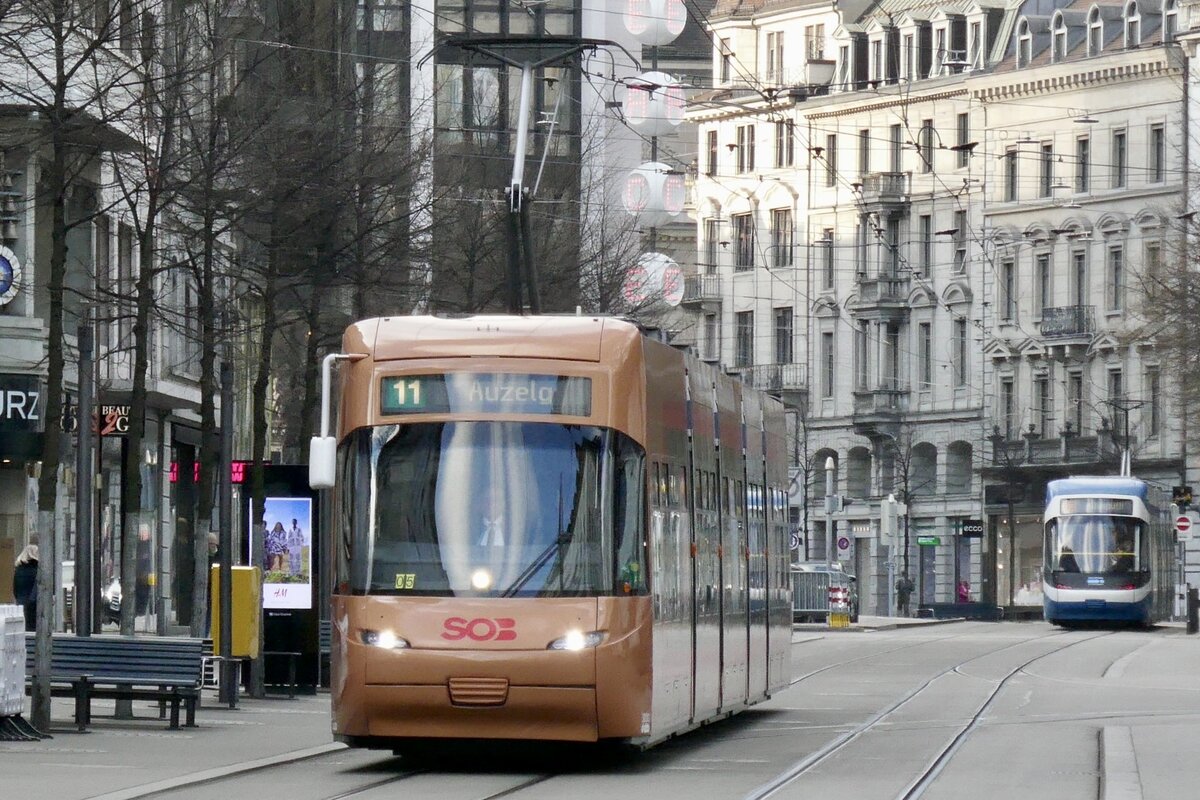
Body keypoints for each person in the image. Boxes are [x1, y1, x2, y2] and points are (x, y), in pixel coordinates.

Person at [12, 544, 38, 631]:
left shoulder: (18, 569)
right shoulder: (38, 569)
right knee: (33, 629)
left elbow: (15, 588)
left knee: (21, 629)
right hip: (34, 604)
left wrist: (18, 598)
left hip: (21, 602)